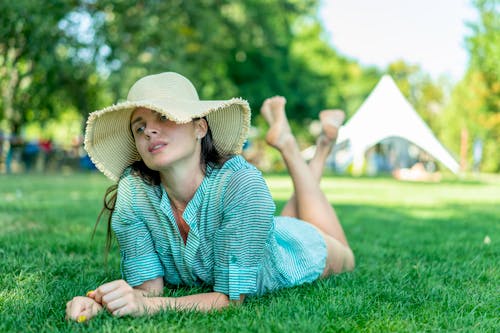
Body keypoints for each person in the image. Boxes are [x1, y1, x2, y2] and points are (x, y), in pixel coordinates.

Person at [66, 72, 354, 322]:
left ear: (200, 127)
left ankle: (297, 146)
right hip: (256, 234)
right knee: (281, 221)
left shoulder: (242, 184)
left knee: (344, 252)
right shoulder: (134, 192)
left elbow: (230, 299)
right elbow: (148, 290)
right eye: (139, 127)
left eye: (164, 116)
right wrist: (101, 302)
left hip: (299, 251)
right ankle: (313, 144)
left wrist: (150, 307)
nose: (149, 131)